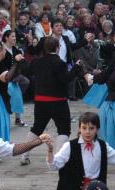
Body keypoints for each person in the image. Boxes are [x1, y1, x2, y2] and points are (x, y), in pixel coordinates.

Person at [23, 36, 82, 165]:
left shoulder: (37, 62)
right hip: (58, 101)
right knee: (63, 129)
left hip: (41, 101)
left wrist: (20, 61)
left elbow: (25, 71)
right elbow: (66, 79)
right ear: (57, 48)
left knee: (36, 128)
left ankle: (24, 155)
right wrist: (76, 68)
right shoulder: (59, 62)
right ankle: (59, 158)